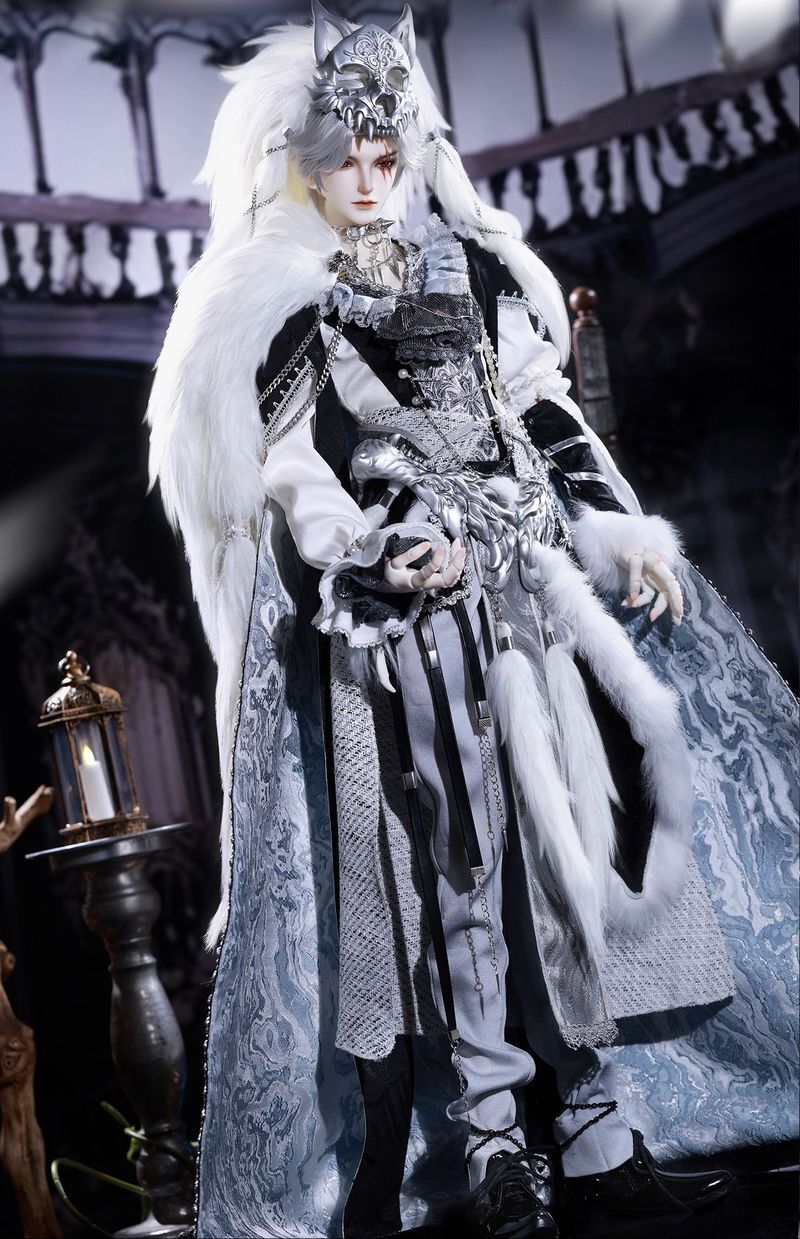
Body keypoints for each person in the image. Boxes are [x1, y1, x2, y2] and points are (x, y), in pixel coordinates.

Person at [145, 5, 751, 1236]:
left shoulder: (469, 271)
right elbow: (288, 470)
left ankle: (596, 1128)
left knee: (564, 851)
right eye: (348, 163)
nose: (371, 181)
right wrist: (370, 551)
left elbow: (541, 411)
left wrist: (618, 529)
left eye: (388, 156)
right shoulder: (297, 303)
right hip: (415, 619)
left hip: (527, 593)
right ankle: (491, 1140)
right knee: (463, 871)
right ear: (308, 170)